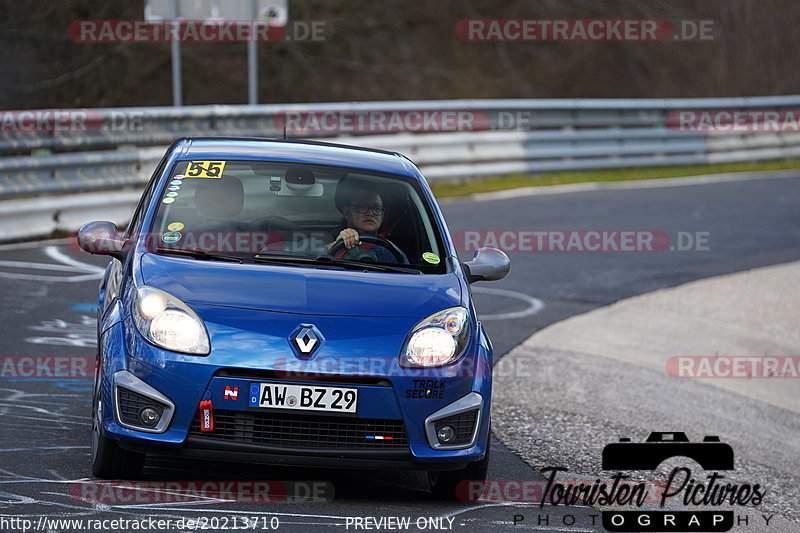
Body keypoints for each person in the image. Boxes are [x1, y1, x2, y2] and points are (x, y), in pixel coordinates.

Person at [327, 187, 405, 263]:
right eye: (362, 207)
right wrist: (336, 244)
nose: (370, 213)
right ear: (346, 212)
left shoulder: (390, 251)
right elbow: (315, 258)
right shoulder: (329, 237)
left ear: (382, 216)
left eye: (377, 208)